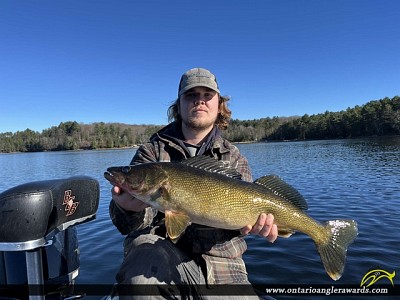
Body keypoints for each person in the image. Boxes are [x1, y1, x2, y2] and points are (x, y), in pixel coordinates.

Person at [109, 67, 278, 299]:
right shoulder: (151, 153)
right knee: (141, 278)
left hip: (223, 264)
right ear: (178, 105)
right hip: (159, 254)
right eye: (191, 95)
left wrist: (255, 225)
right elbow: (130, 226)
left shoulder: (234, 157)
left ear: (219, 105)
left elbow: (242, 220)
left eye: (207, 95)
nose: (199, 101)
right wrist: (127, 209)